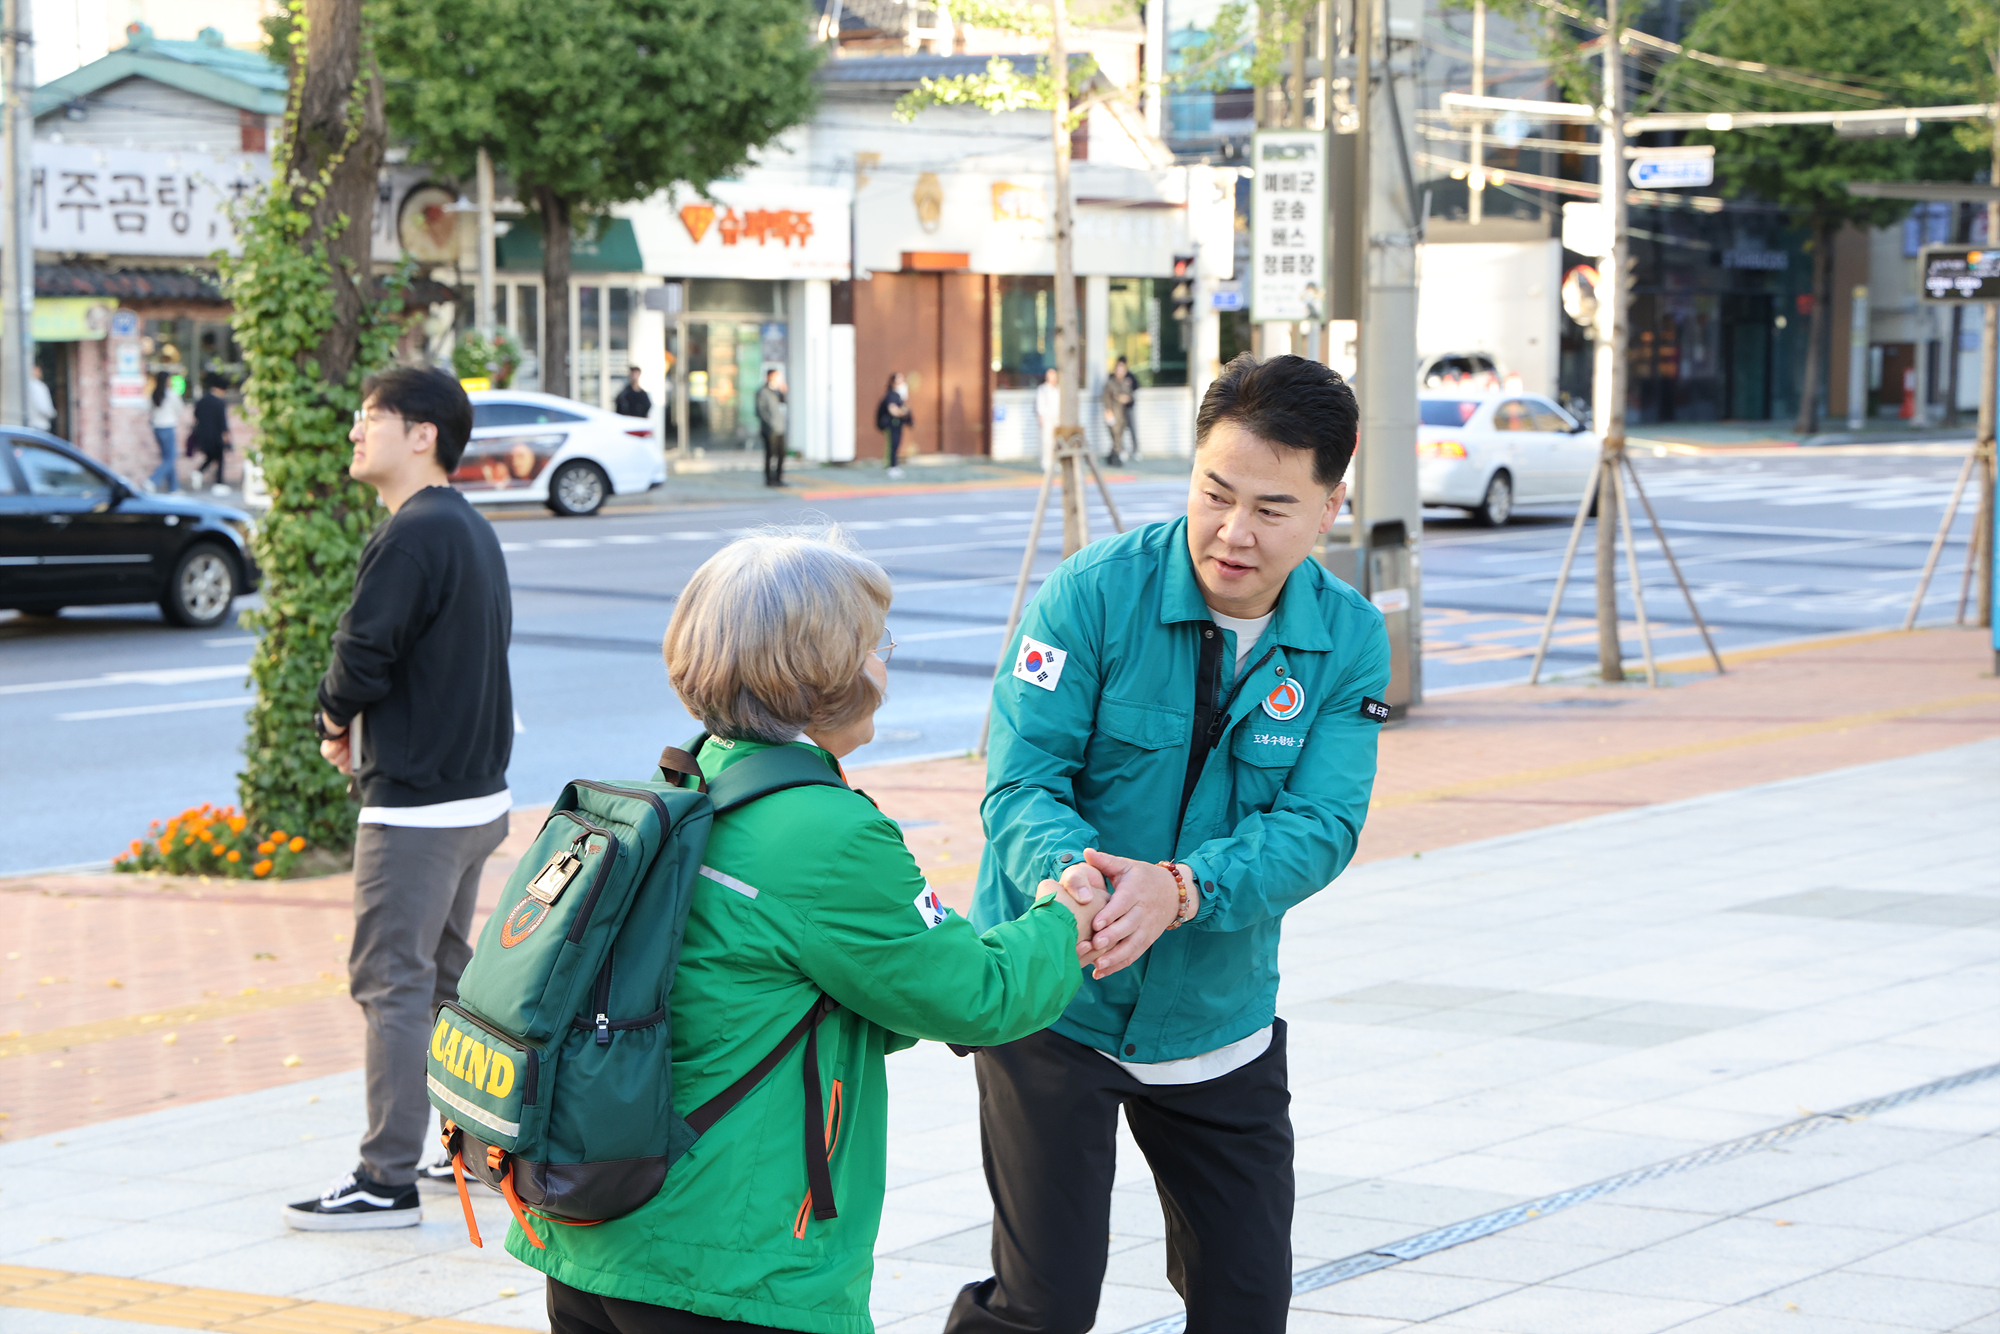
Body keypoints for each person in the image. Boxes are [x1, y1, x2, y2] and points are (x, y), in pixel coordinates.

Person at [505, 528, 1101, 1334]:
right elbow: (975, 996)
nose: (885, 666)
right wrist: (1065, 914)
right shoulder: (825, 834)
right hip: (729, 1262)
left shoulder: (686, 786)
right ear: (825, 676)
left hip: (591, 1230)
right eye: (874, 645)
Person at [947, 353, 1391, 1334]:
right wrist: (1082, 884)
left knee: (1243, 1300)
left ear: (1328, 506)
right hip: (1051, 993)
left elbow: (1320, 823)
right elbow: (1021, 781)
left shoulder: (1349, 637)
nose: (1232, 532)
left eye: (1271, 508)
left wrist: (1181, 889)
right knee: (1042, 1304)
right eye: (1213, 492)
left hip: (1213, 1016)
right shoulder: (1092, 592)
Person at [285, 366, 514, 1232]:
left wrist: (333, 718)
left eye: (370, 415)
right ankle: (476, 1147)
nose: (355, 429)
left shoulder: (413, 533)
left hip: (415, 807)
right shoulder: (468, 527)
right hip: (473, 801)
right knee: (447, 983)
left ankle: (384, 1178)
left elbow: (363, 648)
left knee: (390, 980)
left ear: (422, 434)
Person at [188, 376, 230, 492]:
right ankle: (219, 483)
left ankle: (198, 472)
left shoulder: (201, 400)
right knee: (220, 458)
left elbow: (196, 415)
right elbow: (222, 422)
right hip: (215, 436)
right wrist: (226, 436)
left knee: (211, 457)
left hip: (201, 434)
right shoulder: (219, 403)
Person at [1100, 355, 1138, 465]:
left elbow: (1131, 395)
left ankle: (1114, 456)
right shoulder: (1110, 383)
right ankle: (1117, 456)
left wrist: (1127, 399)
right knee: (1115, 436)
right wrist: (1108, 410)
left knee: (1121, 435)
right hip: (1113, 413)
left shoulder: (1127, 382)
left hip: (1125, 414)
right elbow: (1106, 397)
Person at [876, 371, 913, 478]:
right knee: (893, 444)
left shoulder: (899, 396)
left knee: (895, 444)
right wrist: (903, 412)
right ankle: (892, 467)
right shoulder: (892, 395)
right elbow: (893, 410)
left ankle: (892, 465)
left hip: (897, 424)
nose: (902, 383)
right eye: (899, 380)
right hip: (892, 424)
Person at [755, 366, 788, 488]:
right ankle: (769, 480)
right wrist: (770, 423)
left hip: (780, 427)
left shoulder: (777, 391)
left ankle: (778, 478)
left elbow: (784, 404)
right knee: (770, 455)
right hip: (769, 429)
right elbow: (760, 411)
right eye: (776, 376)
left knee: (781, 454)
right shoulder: (762, 392)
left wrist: (783, 392)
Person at [147, 373, 180, 493]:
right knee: (170, 458)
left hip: (157, 428)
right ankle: (153, 480)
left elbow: (149, 411)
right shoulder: (171, 394)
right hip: (168, 426)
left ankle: (174, 487)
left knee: (167, 457)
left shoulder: (153, 394)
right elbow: (179, 410)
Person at [1034, 365, 1060, 469]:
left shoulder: (1059, 389)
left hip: (1057, 418)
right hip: (1047, 418)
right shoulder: (1042, 389)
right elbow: (1040, 405)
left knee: (1057, 441)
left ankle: (1056, 462)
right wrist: (1041, 417)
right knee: (1046, 441)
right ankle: (1046, 462)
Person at [27, 364, 56, 433]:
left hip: (30, 425)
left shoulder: (27, 385)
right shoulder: (39, 386)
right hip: (40, 425)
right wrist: (52, 414)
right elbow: (43, 407)